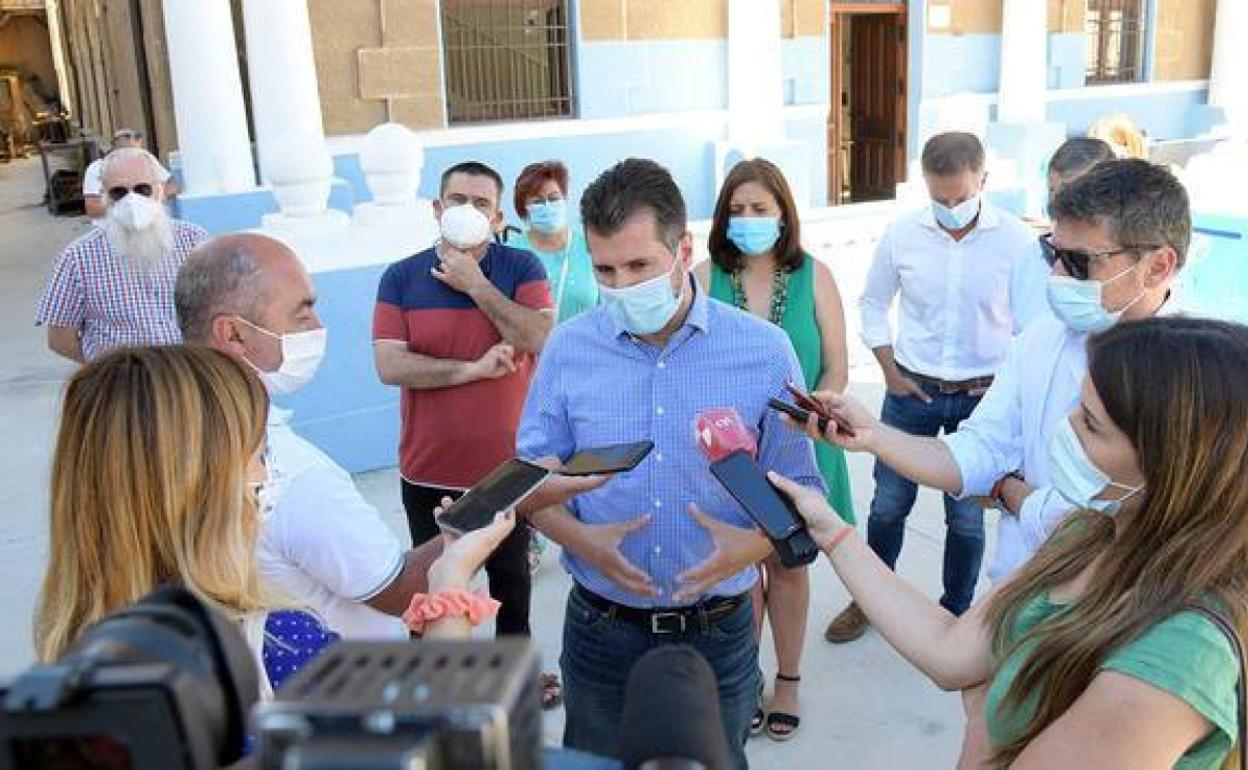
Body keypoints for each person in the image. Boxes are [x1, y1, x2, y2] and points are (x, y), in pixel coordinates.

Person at [773, 316, 1246, 769]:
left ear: (1172, 466)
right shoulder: (1091, 531)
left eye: (1091, 423)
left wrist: (986, 718)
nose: (1065, 427)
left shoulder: (1181, 654)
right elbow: (950, 651)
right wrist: (830, 530)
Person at [517, 158, 823, 770]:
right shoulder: (570, 348)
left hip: (721, 630)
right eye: (605, 269)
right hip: (601, 628)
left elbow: (802, 489)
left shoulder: (763, 351)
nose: (622, 286)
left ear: (683, 250)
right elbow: (528, 479)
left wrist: (754, 548)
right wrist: (580, 539)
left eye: (639, 266)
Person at [33, 345, 514, 693]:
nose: (267, 466)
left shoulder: (73, 648)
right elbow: (435, 734)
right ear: (201, 484)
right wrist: (451, 577)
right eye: (255, 448)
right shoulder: (277, 646)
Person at [808, 158, 1190, 588]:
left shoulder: (1207, 382)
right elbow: (980, 451)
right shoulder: (1042, 339)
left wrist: (1012, 493)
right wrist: (875, 436)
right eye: (1052, 252)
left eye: (1079, 262)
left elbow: (1138, 528)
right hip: (1020, 589)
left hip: (1124, 615)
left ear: (1157, 266)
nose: (1058, 273)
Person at [825, 132, 1036, 644]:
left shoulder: (1017, 242)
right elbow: (872, 303)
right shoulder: (902, 234)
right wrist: (889, 368)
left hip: (982, 402)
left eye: (961, 198)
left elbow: (1032, 328)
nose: (950, 208)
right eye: (939, 199)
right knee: (887, 505)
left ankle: (955, 615)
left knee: (965, 521)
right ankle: (871, 600)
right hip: (910, 392)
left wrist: (1006, 392)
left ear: (983, 180)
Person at [372, 160, 557, 697]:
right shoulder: (400, 277)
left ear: (498, 217)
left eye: (480, 204)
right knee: (430, 588)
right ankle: (436, 690)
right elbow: (390, 366)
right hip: (427, 468)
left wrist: (477, 285)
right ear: (436, 208)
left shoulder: (522, 268)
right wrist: (471, 371)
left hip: (508, 471)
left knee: (513, 587)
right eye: (457, 200)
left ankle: (516, 684)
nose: (467, 212)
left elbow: (540, 338)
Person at [695, 157, 853, 741]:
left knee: (786, 567)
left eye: (760, 209)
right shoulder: (705, 274)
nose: (748, 219)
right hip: (725, 459)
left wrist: (820, 405)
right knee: (739, 572)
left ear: (783, 213)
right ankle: (744, 677)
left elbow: (836, 363)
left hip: (797, 447)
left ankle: (787, 678)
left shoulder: (817, 275)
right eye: (737, 210)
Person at [35, 148, 207, 364]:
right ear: (105, 197)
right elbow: (59, 338)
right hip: (123, 389)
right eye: (119, 192)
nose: (132, 200)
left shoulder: (194, 240)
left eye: (142, 189)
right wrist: (107, 373)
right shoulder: (78, 258)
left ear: (159, 190)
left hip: (187, 377)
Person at [1009, 137, 1116, 333]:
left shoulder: (1121, 263)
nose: (1057, 202)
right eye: (1052, 190)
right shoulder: (1029, 258)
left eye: (1071, 192)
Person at [507, 160, 598, 323]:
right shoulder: (510, 252)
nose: (547, 205)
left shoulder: (592, 248)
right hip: (530, 348)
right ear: (523, 208)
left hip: (585, 346)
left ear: (565, 199)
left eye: (553, 198)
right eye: (537, 201)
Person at [82, 129, 177, 218]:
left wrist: (150, 200)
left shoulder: (147, 160)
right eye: (127, 136)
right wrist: (123, 208)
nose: (134, 139)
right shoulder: (97, 168)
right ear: (115, 143)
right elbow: (92, 209)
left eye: (136, 137)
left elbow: (172, 186)